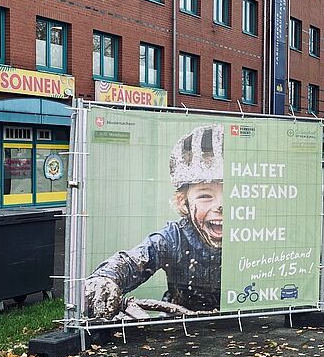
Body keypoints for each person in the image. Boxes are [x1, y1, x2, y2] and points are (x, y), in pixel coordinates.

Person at [84, 125, 224, 320]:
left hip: (247, 327)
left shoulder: (255, 235)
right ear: (183, 202)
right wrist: (106, 278)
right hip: (181, 328)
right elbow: (134, 261)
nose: (221, 206)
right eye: (205, 195)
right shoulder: (174, 238)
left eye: (232, 194)